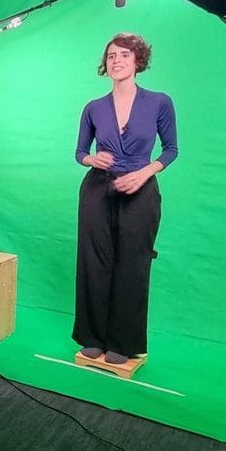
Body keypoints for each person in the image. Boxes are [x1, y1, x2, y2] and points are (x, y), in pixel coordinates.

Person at [72, 33, 178, 365]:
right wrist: (92, 159)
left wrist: (146, 172)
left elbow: (172, 149)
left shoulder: (159, 102)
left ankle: (123, 343)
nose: (117, 60)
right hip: (96, 192)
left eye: (124, 55)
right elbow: (79, 152)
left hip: (140, 189)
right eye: (111, 55)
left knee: (133, 264)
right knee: (94, 262)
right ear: (106, 64)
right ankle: (93, 337)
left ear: (138, 61)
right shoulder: (93, 107)